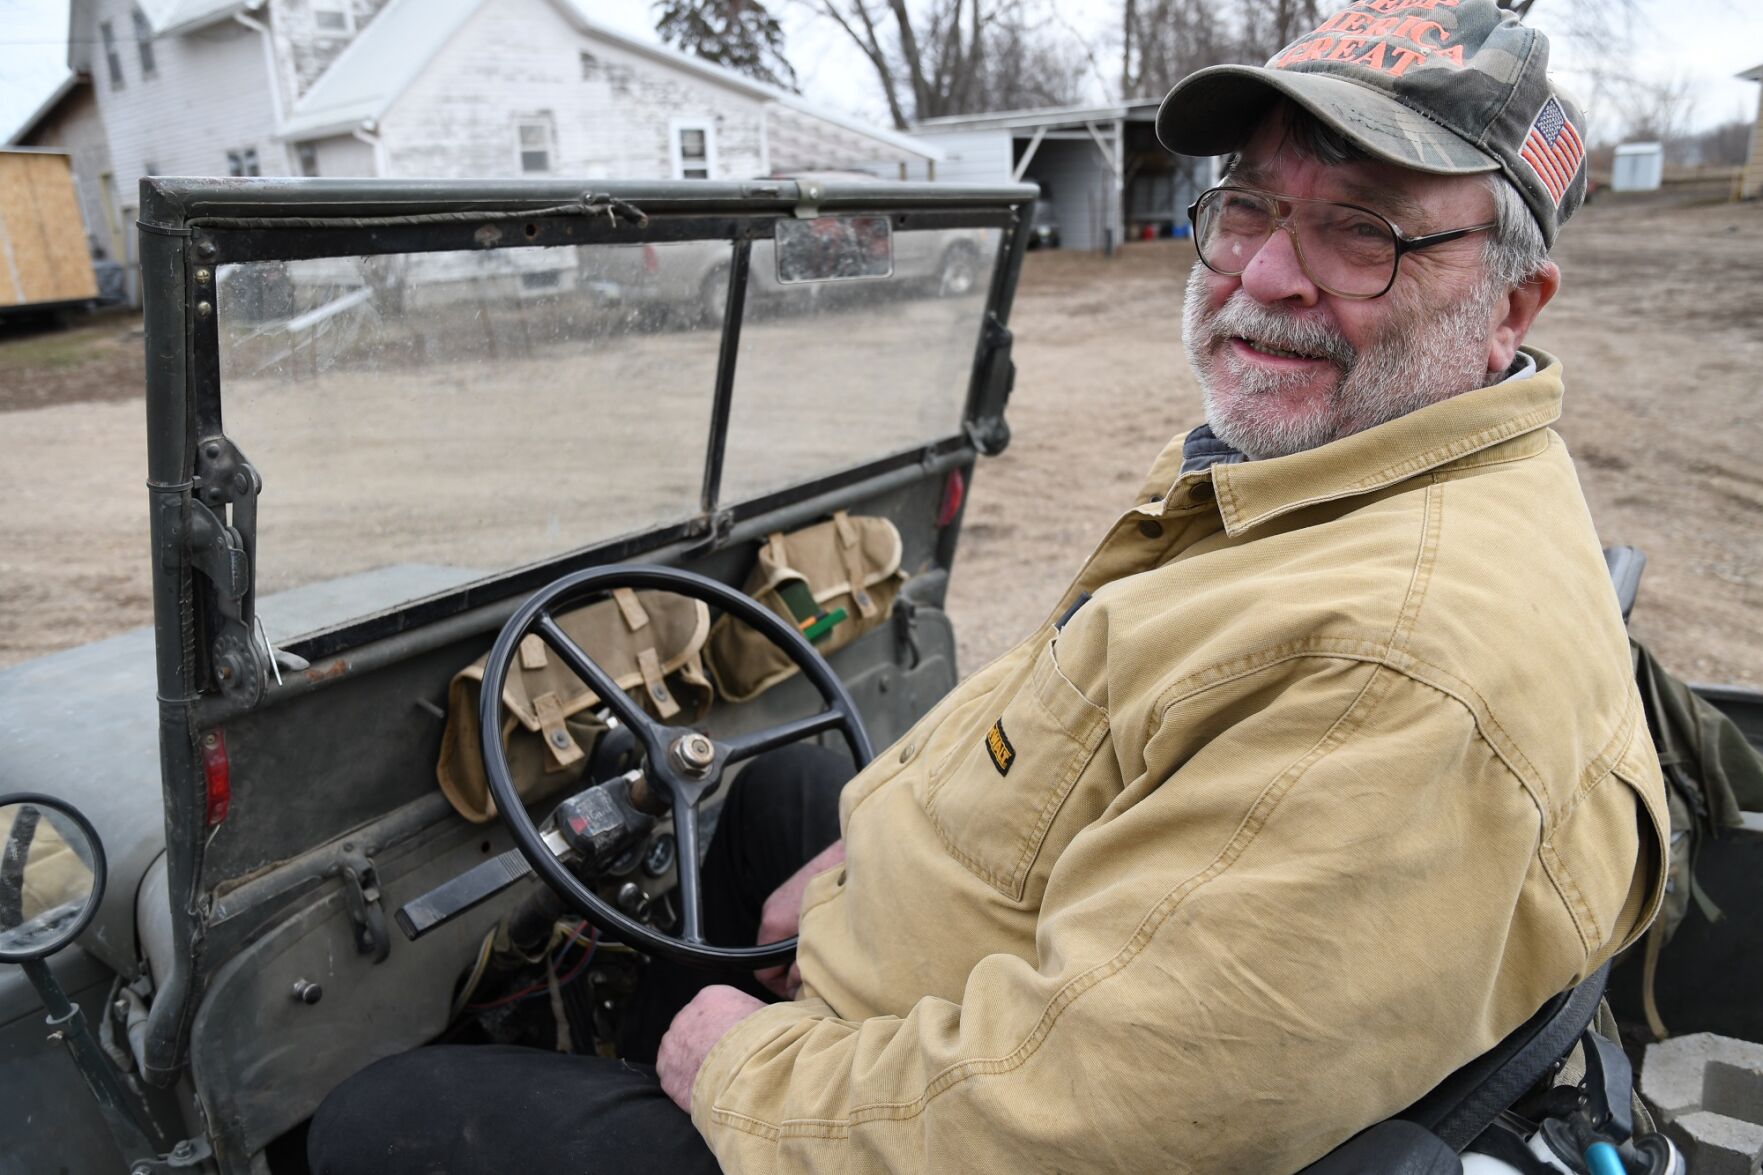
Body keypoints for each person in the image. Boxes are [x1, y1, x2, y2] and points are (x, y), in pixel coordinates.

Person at [310, 2, 1667, 1171]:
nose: (1263, 276)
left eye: (1362, 232)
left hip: (958, 1117)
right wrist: (865, 866)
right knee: (770, 798)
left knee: (389, 1119)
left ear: (1511, 307)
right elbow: (1082, 713)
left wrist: (735, 1069)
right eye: (1247, 205)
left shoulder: (1396, 668)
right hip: (995, 978)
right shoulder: (1328, 470)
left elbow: (1076, 1124)